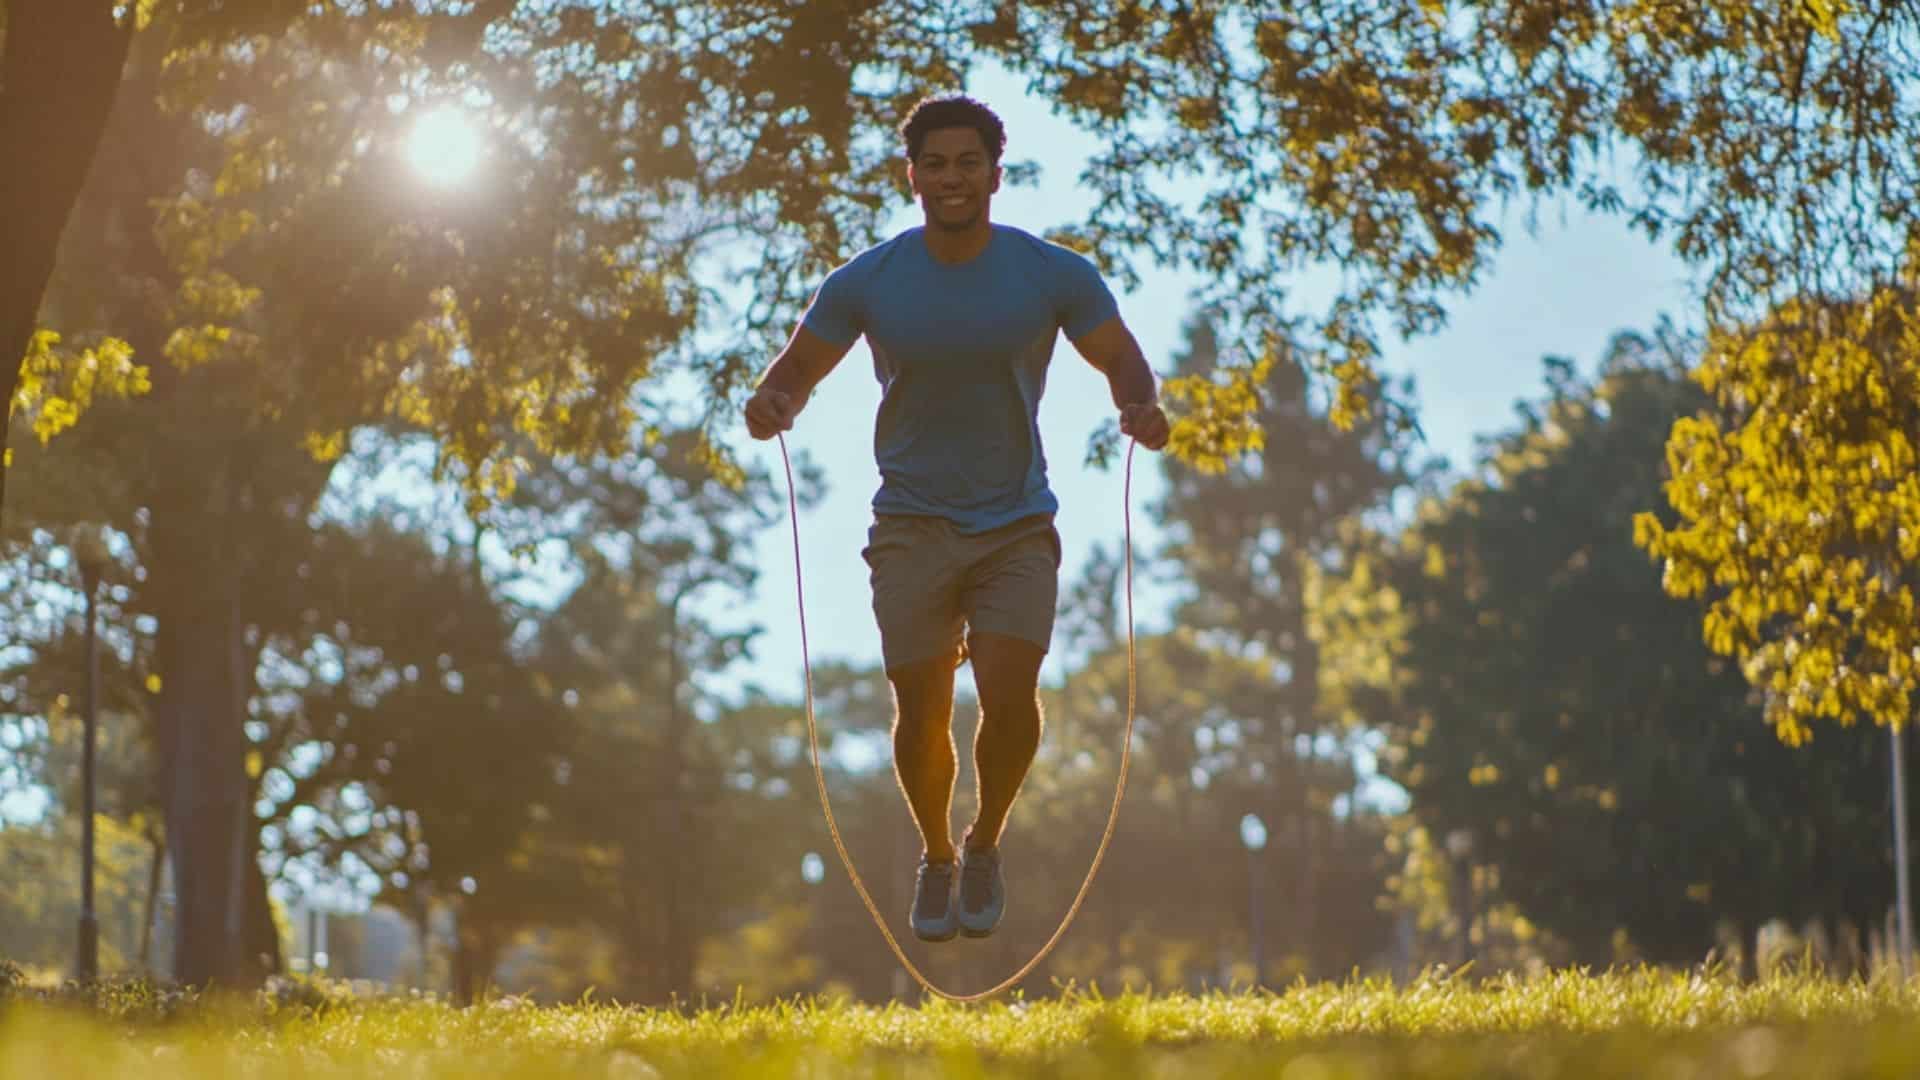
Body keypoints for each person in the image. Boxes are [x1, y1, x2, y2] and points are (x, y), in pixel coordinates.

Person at [744, 94, 1169, 943]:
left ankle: (984, 843)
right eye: (934, 163)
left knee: (1010, 697)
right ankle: (936, 855)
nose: (951, 177)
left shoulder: (1053, 273)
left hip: (1016, 520)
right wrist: (774, 402)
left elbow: (1121, 357)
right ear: (912, 176)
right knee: (921, 705)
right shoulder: (867, 280)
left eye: (967, 163)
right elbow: (793, 370)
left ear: (994, 174)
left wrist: (1141, 405)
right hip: (910, 523)